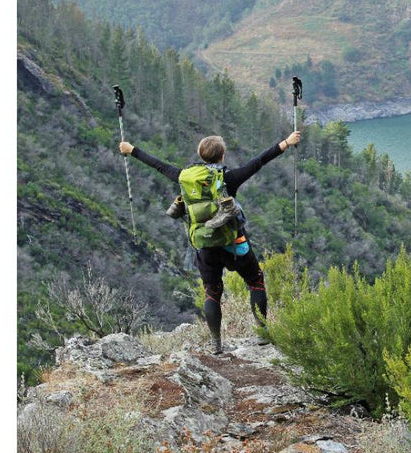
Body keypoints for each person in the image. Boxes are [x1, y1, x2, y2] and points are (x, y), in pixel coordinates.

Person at [119, 131, 301, 354]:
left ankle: (216, 344)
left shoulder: (184, 177)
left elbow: (159, 165)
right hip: (234, 243)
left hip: (204, 245)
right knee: (255, 281)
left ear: (200, 155)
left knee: (212, 292)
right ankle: (263, 334)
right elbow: (259, 161)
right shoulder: (228, 178)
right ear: (222, 156)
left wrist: (131, 150)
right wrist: (286, 143)